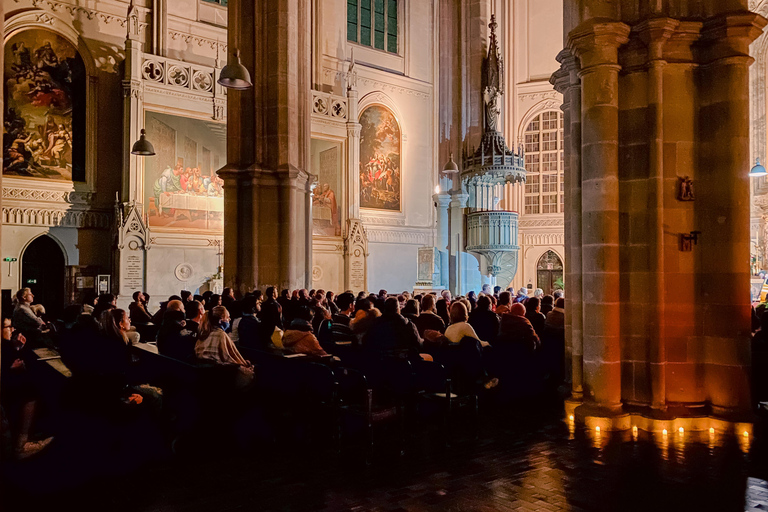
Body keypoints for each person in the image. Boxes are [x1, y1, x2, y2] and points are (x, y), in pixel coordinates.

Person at [1, 318, 53, 459]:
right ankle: (21, 443)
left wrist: (18, 348)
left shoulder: (5, 344)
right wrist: (10, 368)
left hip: (8, 379)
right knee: (31, 391)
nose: (12, 330)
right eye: (8, 327)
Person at [195, 306, 254, 388]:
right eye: (228, 317)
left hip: (205, 374)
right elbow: (231, 357)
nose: (229, 320)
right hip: (221, 374)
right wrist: (244, 363)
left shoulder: (204, 333)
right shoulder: (221, 334)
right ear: (221, 320)